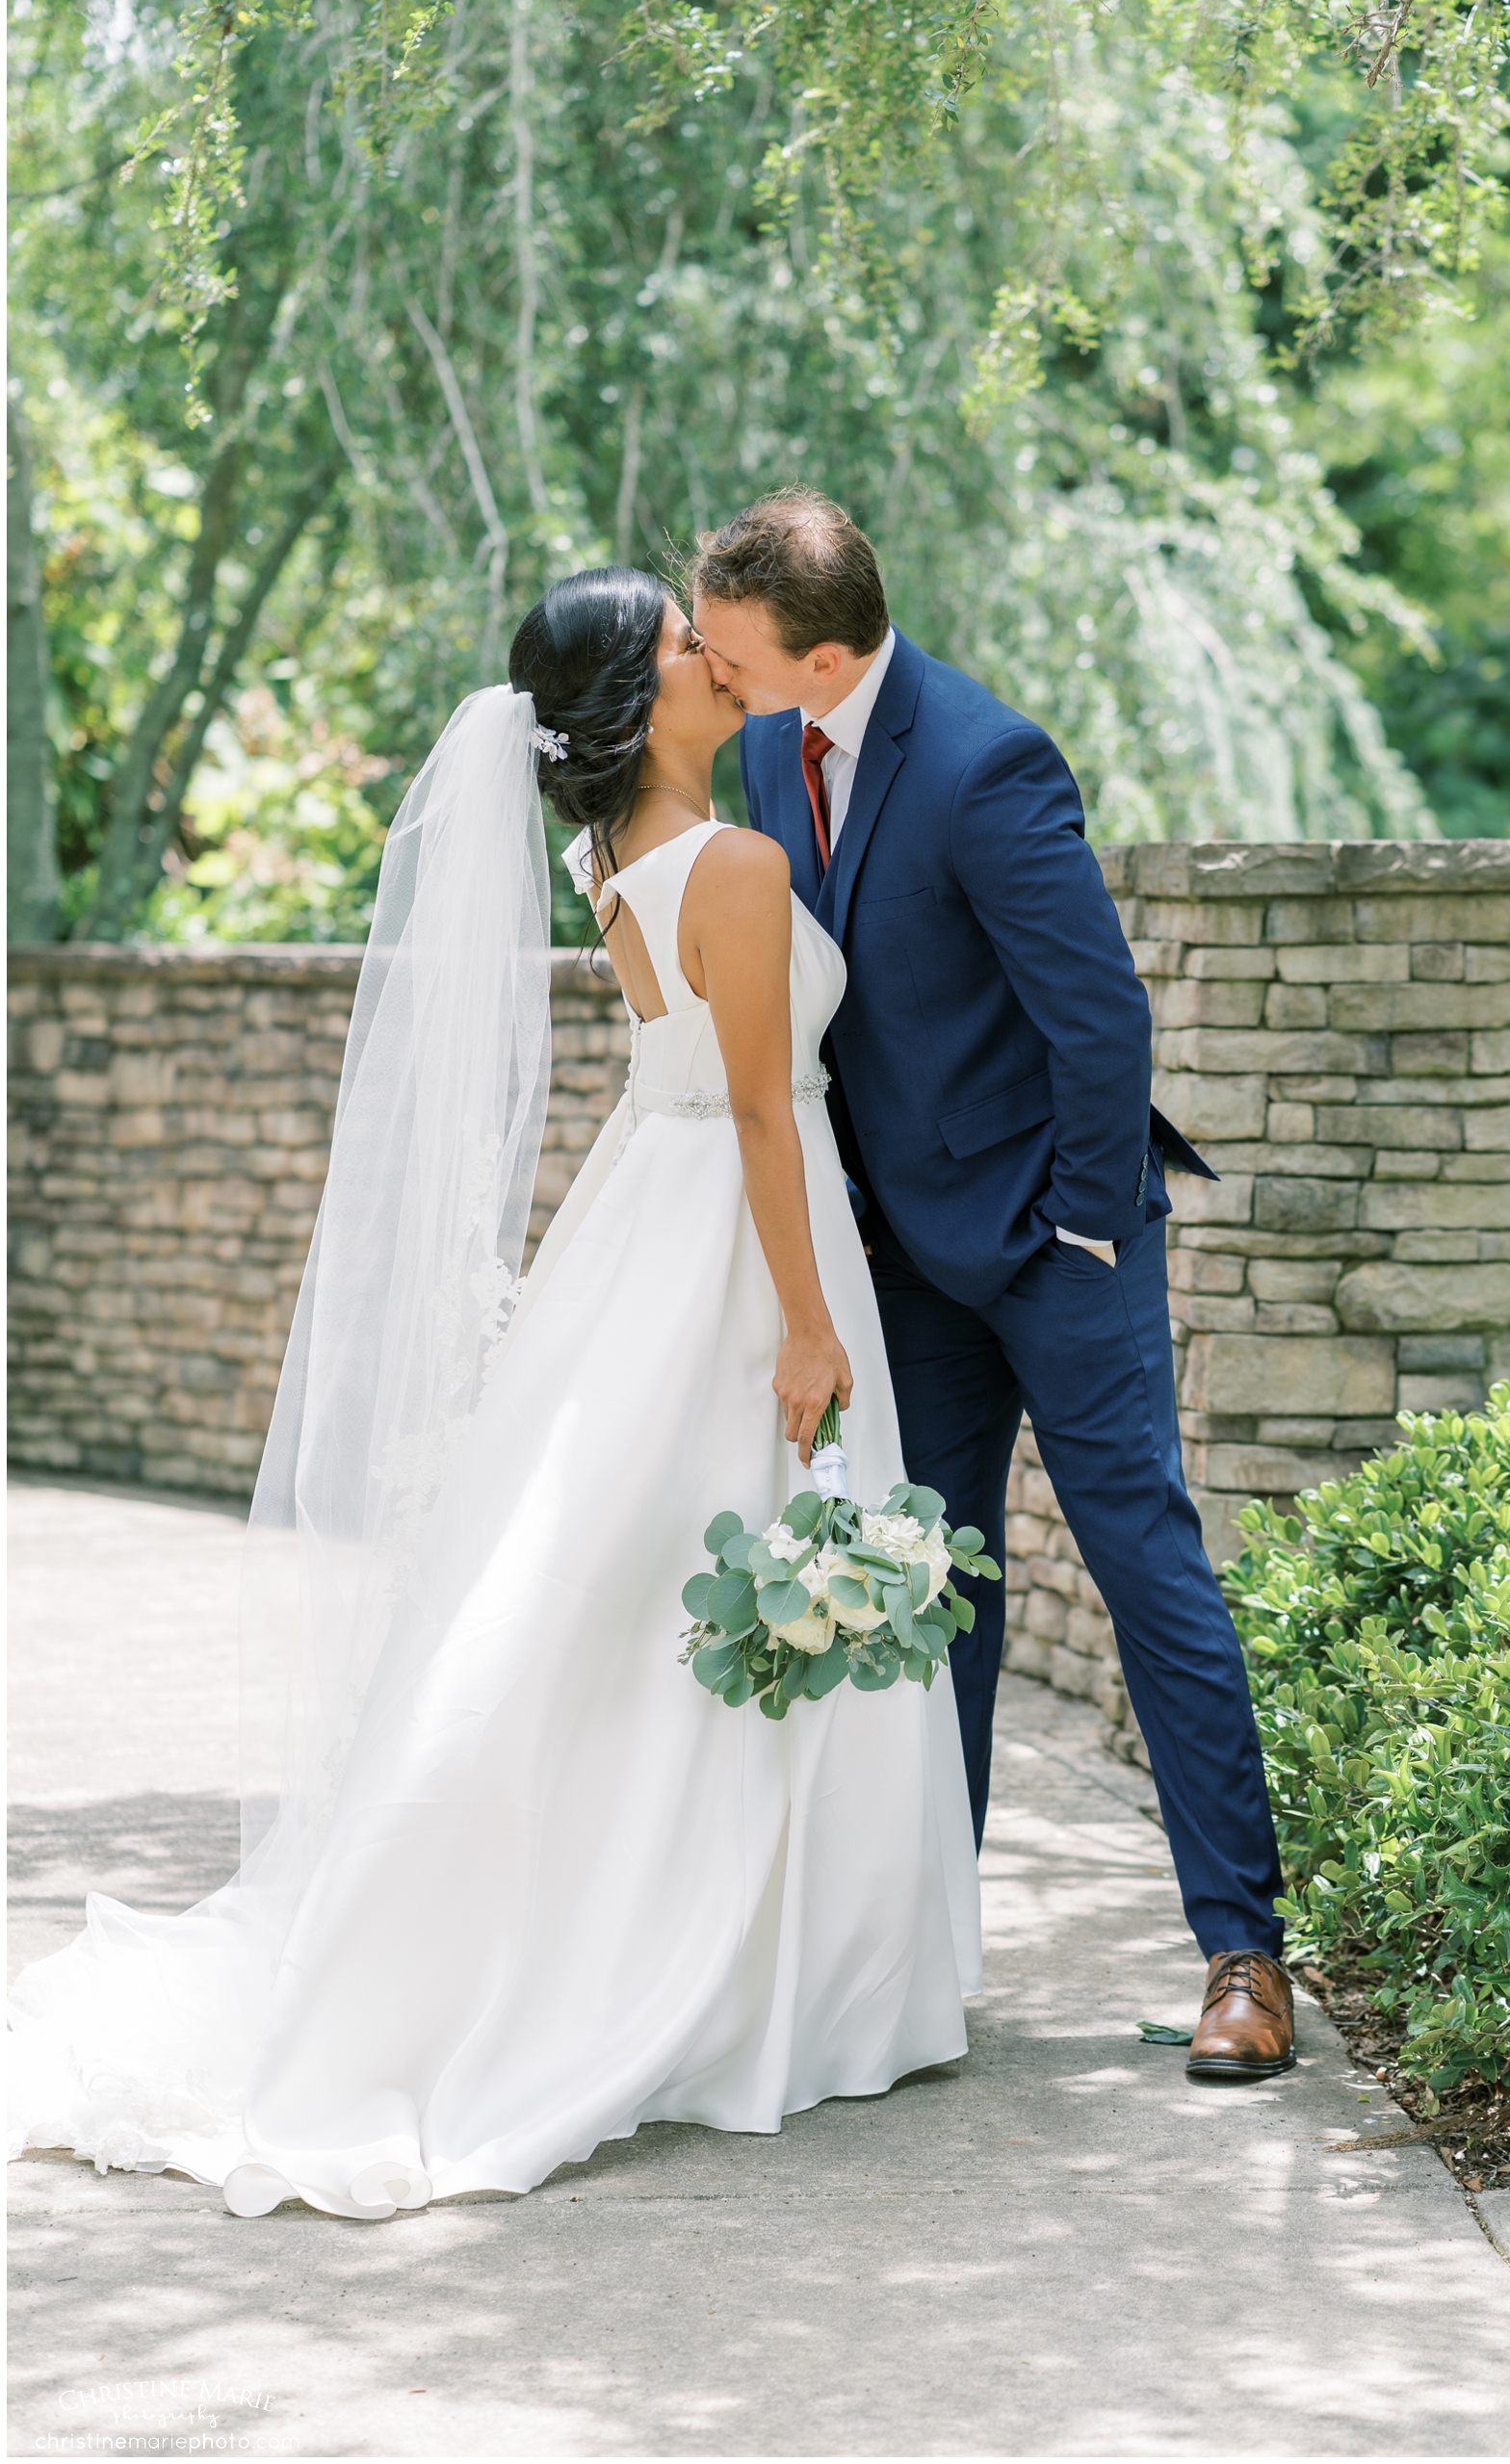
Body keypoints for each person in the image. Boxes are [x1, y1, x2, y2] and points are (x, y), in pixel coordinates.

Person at [7, 568, 980, 2219]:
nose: (713, 651)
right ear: (635, 700)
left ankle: (713, 1940)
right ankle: (725, 1968)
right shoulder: (730, 863)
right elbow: (761, 1115)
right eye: (688, 644)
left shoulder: (609, 857)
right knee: (706, 1556)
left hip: (649, 1223)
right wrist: (809, 1324)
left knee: (626, 1583)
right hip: (742, 1240)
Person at [697, 489, 1296, 2083]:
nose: (713, 668)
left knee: (1147, 1568)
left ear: (826, 656)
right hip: (905, 1258)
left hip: (1055, 1248)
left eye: (738, 652)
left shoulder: (985, 763)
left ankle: (1245, 1953)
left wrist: (1089, 1228)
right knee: (930, 1595)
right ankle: (917, 1953)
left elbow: (1100, 1020)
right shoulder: (766, 751)